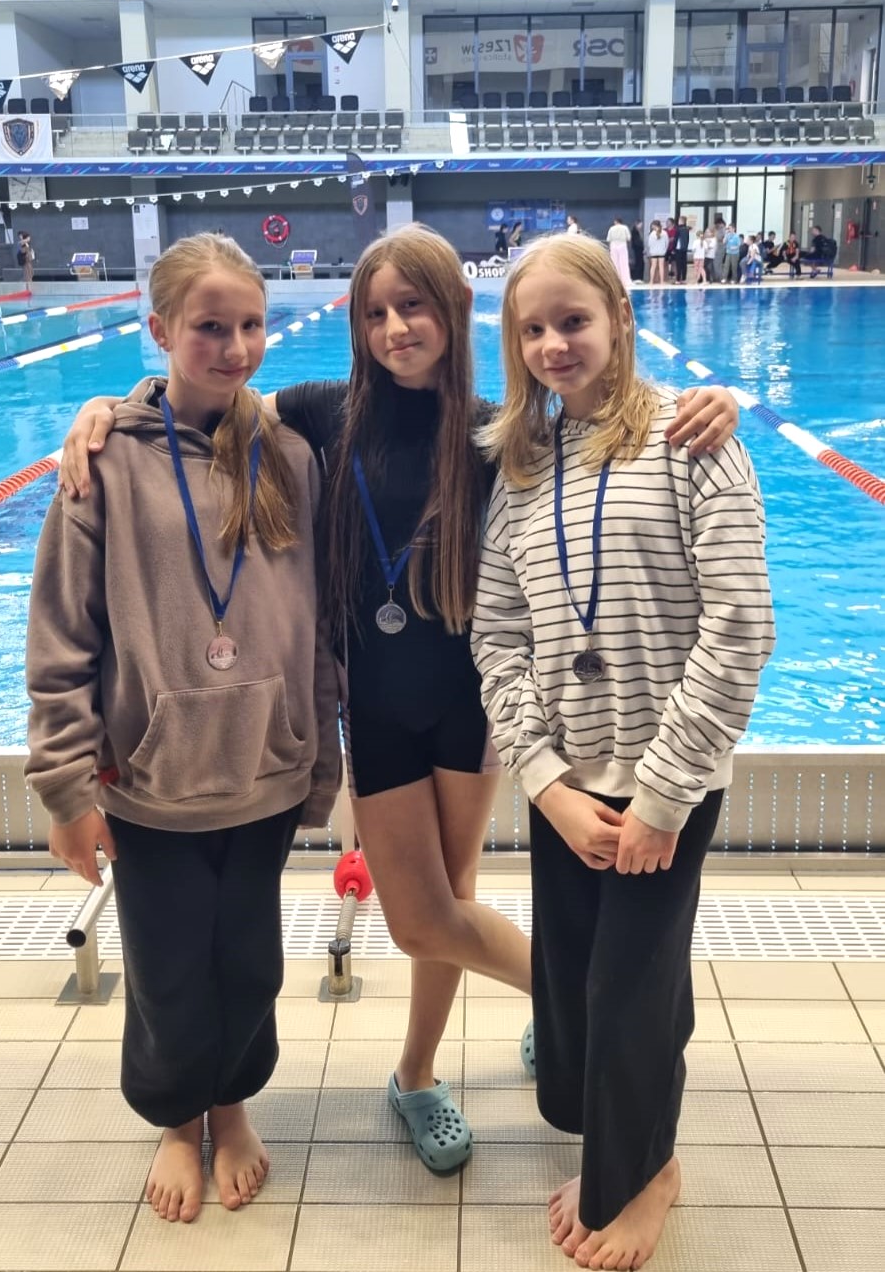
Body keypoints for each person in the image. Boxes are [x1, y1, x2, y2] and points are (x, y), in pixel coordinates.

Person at [56, 224, 740, 1178]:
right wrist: (107, 405)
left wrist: (711, 400)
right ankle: (569, 1012)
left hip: (471, 704)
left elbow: (601, 422)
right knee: (419, 919)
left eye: (413, 306)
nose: (394, 328)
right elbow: (202, 404)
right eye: (375, 312)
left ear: (453, 311)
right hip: (374, 706)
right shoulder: (320, 412)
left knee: (451, 902)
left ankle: (418, 1074)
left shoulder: (501, 434)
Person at [26, 233, 342, 1225]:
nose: (236, 347)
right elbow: (63, 632)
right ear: (160, 330)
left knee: (250, 961)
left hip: (264, 770)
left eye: (251, 325)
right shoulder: (105, 462)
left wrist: (320, 758)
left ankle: (231, 1106)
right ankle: (176, 1119)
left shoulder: (290, 455)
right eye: (210, 327)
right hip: (149, 782)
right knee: (166, 970)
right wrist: (65, 789)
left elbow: (316, 623)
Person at [472, 233, 774, 1270]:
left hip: (665, 784)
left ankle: (642, 1176)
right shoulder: (520, 468)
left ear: (621, 321)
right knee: (575, 981)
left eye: (574, 321)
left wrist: (661, 797)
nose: (555, 344)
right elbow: (498, 634)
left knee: (631, 989)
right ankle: (618, 1137)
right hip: (566, 784)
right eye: (534, 329)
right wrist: (545, 782)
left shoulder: (695, 442)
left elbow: (741, 627)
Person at [606, 217, 631, 290]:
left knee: (614, 263)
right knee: (624, 263)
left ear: (615, 222)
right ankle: (626, 281)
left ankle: (615, 280)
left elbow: (608, 239)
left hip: (613, 245)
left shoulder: (611, 228)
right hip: (622, 244)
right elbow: (628, 238)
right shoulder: (625, 228)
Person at [646, 220, 667, 285]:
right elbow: (667, 243)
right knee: (661, 267)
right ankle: (662, 281)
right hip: (661, 252)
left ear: (654, 225)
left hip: (653, 252)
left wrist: (651, 250)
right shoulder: (664, 233)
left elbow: (649, 244)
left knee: (653, 266)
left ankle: (651, 281)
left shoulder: (652, 234)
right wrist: (664, 249)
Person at [673, 216, 690, 284]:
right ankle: (684, 279)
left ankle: (678, 279)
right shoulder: (687, 229)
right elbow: (687, 240)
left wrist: (673, 248)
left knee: (678, 265)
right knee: (684, 264)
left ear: (681, 221)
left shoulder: (678, 229)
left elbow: (676, 239)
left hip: (678, 249)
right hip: (684, 249)